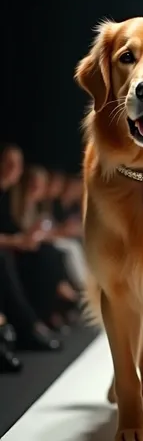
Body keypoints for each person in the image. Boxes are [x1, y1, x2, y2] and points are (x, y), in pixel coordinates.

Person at [0, 144, 62, 350]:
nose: (12, 169)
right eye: (8, 163)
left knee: (50, 254)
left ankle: (39, 319)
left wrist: (26, 238)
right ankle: (29, 326)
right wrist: (19, 241)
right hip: (10, 253)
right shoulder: (11, 197)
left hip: (13, 250)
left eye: (16, 165)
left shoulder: (7, 195)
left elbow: (13, 229)